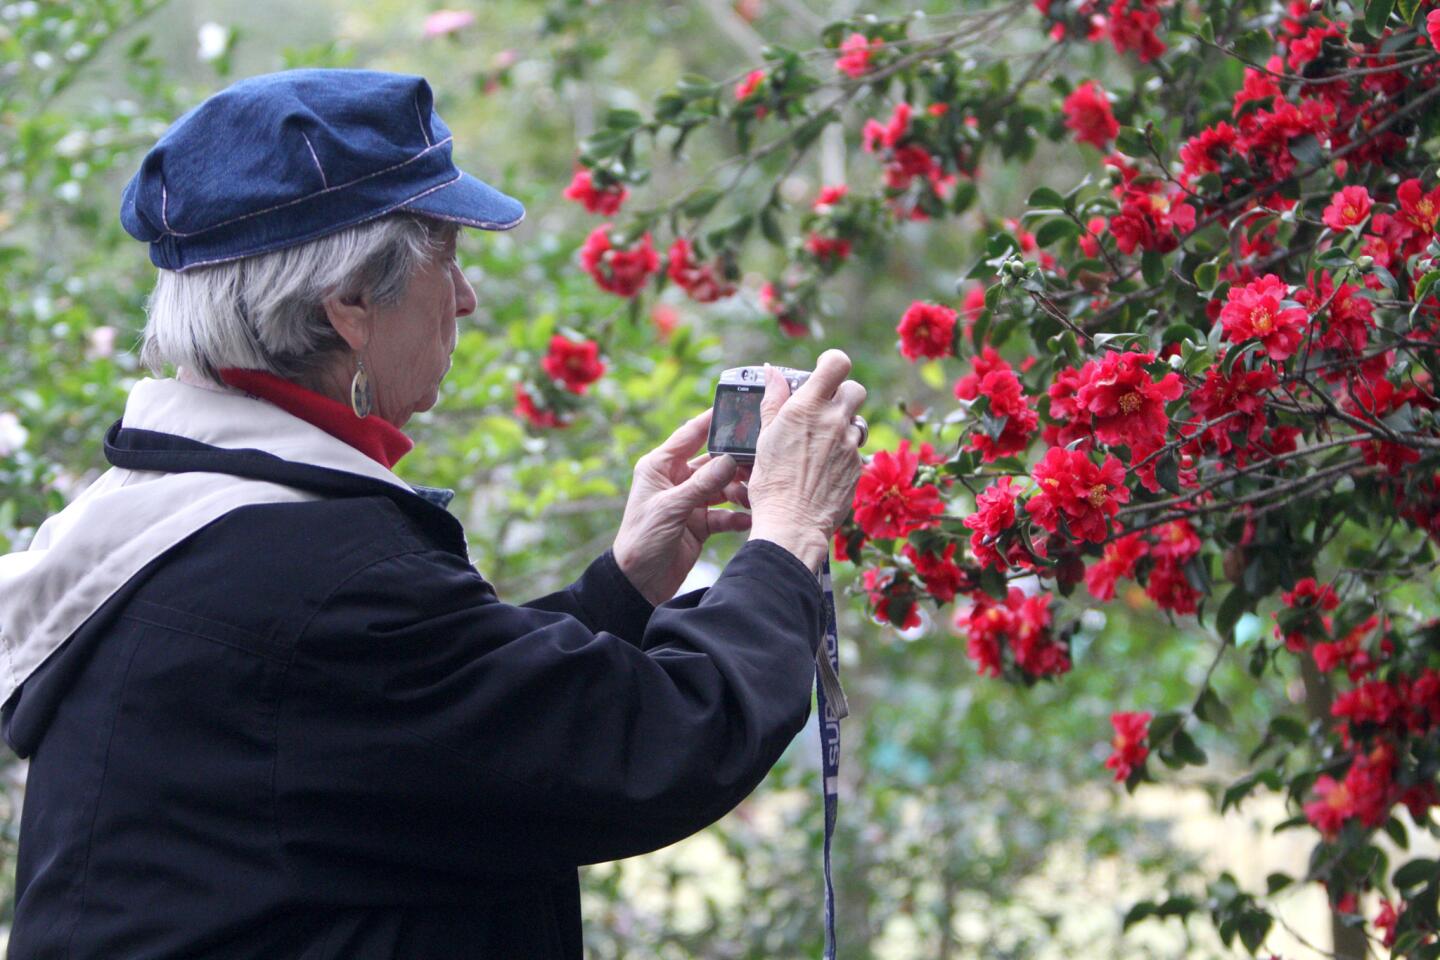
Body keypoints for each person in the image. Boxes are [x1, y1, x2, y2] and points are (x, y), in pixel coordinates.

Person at [0, 69, 866, 959]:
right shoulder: (322, 579)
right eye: (445, 253)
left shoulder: (192, 520)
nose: (465, 296)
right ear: (347, 306)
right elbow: (650, 743)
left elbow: (426, 726)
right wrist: (789, 533)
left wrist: (622, 588)